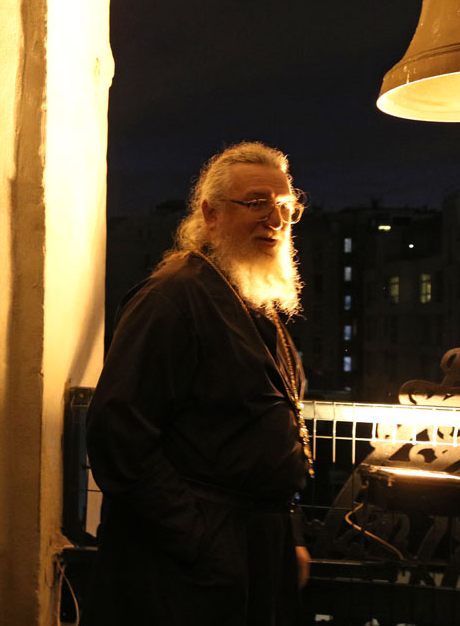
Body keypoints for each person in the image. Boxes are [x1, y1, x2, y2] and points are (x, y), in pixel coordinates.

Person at [86, 141, 313, 626]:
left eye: (285, 207)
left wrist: (288, 534)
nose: (275, 220)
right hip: (189, 563)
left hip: (255, 544)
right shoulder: (173, 297)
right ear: (210, 215)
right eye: (256, 203)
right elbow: (117, 434)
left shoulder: (252, 297)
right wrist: (199, 537)